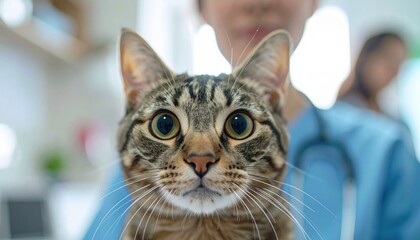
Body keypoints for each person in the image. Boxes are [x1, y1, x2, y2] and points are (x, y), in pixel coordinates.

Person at [84, 1, 420, 239]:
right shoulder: (140, 170)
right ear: (201, 8)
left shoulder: (387, 152)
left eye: (238, 125)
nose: (257, 2)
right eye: (167, 125)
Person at [338, 32, 407, 116]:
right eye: (388, 57)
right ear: (366, 56)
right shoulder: (344, 111)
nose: (394, 69)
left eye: (398, 63)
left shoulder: (388, 115)